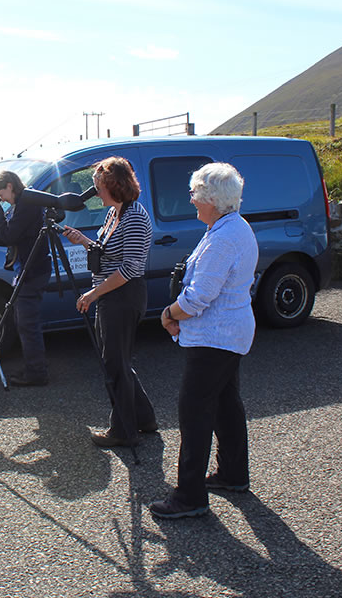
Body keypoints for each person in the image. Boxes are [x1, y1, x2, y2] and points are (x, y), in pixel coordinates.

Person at [148, 162, 259, 519]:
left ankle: (190, 496)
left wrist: (168, 315)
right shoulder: (230, 227)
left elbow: (199, 297)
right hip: (226, 334)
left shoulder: (224, 237)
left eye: (196, 194)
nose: (192, 200)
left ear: (213, 199)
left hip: (217, 338)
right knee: (226, 406)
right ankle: (233, 474)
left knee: (194, 412)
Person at [61, 157, 156, 448]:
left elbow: (130, 269)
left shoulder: (135, 217)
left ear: (116, 186)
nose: (96, 192)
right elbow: (105, 251)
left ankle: (124, 432)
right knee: (117, 361)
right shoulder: (113, 213)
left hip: (123, 297)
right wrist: (84, 242)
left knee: (114, 362)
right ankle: (144, 418)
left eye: (99, 187)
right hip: (110, 297)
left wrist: (93, 294)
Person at [0, 170, 51, 387]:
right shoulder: (21, 203)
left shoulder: (27, 204)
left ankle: (36, 373)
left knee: (27, 323)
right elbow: (14, 236)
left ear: (10, 186)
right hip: (28, 269)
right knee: (23, 321)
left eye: (0, 193)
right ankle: (33, 368)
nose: (0, 198)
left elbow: (11, 234)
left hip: (33, 270)